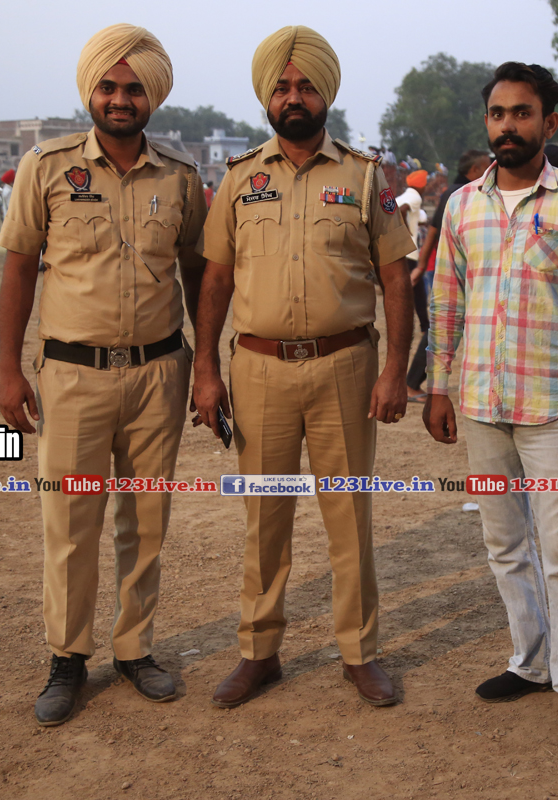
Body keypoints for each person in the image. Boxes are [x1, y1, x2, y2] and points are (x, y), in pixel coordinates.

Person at [192, 25, 415, 711]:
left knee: (349, 517)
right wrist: (205, 369)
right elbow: (215, 280)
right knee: (264, 519)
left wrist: (395, 370)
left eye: (307, 86)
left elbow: (396, 278)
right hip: (258, 369)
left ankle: (360, 653)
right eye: (283, 87)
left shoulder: (365, 176)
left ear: (327, 95)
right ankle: (259, 652)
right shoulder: (239, 179)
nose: (294, 97)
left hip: (345, 365)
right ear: (267, 97)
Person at [0, 23, 206, 727]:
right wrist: (8, 372)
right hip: (71, 375)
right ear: (90, 91)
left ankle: (135, 650)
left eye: (134, 88)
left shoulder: (180, 176)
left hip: (158, 375)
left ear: (154, 96)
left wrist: (207, 365)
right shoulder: (47, 167)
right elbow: (18, 271)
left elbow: (198, 272)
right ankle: (67, 658)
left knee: (146, 521)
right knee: (69, 522)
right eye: (109, 87)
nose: (121, 99)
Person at [424, 61, 558, 745]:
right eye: (498, 114)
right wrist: (438, 386)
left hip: (556, 407)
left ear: (548, 122)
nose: (508, 125)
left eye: (522, 113)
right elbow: (445, 302)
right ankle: (530, 661)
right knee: (504, 544)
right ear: (487, 122)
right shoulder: (461, 206)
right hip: (481, 404)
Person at [406, 149, 492, 401]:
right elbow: (434, 231)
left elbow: (433, 229)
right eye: (487, 166)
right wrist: (421, 265)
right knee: (441, 327)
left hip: (467, 271)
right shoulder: (461, 193)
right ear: (474, 171)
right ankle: (412, 382)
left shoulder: (461, 192)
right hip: (458, 271)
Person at [396, 170, 428, 400]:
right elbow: (401, 211)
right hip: (410, 256)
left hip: (402, 255)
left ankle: (424, 327)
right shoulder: (414, 196)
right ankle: (425, 328)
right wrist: (406, 234)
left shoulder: (404, 195)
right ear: (422, 186)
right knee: (417, 297)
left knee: (413, 298)